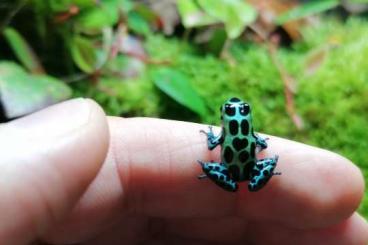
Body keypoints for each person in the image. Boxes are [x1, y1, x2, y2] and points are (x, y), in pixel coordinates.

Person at [0, 98, 367, 245]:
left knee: (208, 166)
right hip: (250, 173)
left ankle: (217, 177)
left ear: (228, 120)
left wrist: (214, 143)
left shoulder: (225, 135)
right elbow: (259, 146)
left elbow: (212, 147)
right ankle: (243, 177)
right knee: (265, 167)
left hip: (231, 173)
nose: (232, 116)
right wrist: (259, 159)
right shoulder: (251, 136)